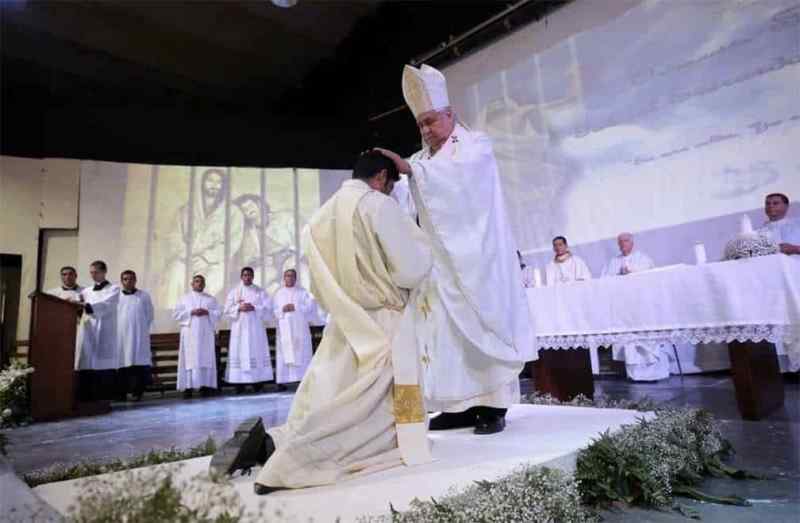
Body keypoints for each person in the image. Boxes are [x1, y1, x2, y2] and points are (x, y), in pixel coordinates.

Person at [209, 151, 433, 495]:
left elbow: (316, 285)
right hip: (383, 319)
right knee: (368, 411)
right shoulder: (377, 205)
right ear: (382, 178)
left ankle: (274, 441)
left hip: (344, 321)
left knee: (332, 393)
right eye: (389, 185)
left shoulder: (319, 216)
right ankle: (294, 458)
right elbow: (411, 266)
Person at [376, 64, 534, 435]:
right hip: (437, 268)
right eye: (421, 125)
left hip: (477, 262)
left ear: (450, 114)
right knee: (444, 335)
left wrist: (415, 174)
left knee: (479, 330)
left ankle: (493, 407)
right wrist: (387, 181)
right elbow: (406, 199)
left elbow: (464, 179)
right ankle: (459, 405)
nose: (427, 130)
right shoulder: (420, 161)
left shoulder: (476, 145)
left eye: (431, 121)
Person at [161, 168, 245, 307]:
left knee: (208, 283)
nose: (214, 185)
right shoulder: (186, 210)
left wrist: (206, 258)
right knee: (175, 274)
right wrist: (187, 256)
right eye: (210, 180)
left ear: (223, 186)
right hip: (187, 258)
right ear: (202, 183)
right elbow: (174, 237)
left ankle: (202, 315)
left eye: (218, 182)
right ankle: (173, 316)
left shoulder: (233, 212)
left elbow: (232, 243)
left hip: (216, 263)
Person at [75, 260, 120, 400]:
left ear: (104, 272)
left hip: (105, 329)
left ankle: (104, 395)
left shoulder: (114, 289)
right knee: (87, 360)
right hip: (88, 329)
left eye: (96, 272)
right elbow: (80, 308)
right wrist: (77, 306)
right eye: (91, 272)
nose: (93, 275)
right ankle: (86, 395)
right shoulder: (86, 291)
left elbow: (107, 305)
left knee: (103, 362)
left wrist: (86, 305)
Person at [224, 267, 273, 393]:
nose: (247, 277)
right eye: (245, 275)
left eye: (250, 275)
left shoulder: (260, 291)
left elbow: (268, 308)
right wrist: (239, 308)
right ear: (241, 276)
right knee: (239, 353)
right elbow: (227, 310)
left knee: (255, 352)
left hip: (255, 328)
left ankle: (257, 382)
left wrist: (254, 307)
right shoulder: (234, 292)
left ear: (253, 276)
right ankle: (239, 384)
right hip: (239, 329)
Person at [174, 275, 222, 398]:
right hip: (189, 334)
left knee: (205, 359)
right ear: (192, 284)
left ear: (204, 284)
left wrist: (207, 312)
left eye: (201, 282)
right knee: (189, 360)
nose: (199, 284)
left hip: (206, 335)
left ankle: (205, 387)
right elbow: (176, 314)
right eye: (196, 281)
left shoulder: (210, 299)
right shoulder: (184, 298)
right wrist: (191, 312)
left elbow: (218, 313)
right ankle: (188, 388)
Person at [272, 268, 316, 389]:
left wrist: (295, 306)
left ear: (295, 278)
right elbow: (274, 310)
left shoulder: (303, 292)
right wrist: (282, 309)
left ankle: (302, 379)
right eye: (287, 276)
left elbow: (310, 307)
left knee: (300, 351)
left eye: (292, 276)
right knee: (284, 352)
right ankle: (282, 381)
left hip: (299, 328)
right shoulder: (278, 293)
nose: (289, 278)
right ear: (284, 278)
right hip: (284, 328)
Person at [116, 270, 154, 401]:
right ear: (122, 281)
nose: (128, 281)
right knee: (122, 365)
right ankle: (121, 393)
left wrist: (141, 330)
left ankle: (138, 392)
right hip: (121, 337)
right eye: (125, 279)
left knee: (139, 365)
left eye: (131, 279)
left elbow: (149, 315)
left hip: (139, 336)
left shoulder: (144, 296)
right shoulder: (116, 296)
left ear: (135, 280)